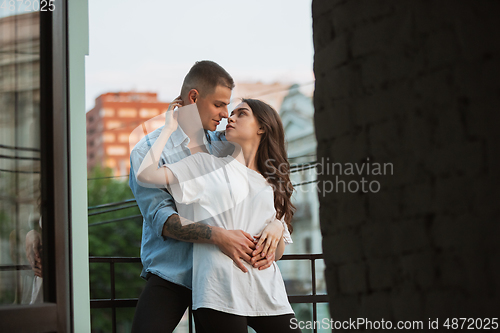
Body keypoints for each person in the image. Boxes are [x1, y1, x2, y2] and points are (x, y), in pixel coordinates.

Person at [129, 61, 286, 332]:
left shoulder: (225, 143)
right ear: (194, 98)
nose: (226, 114)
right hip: (175, 271)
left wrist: (277, 223)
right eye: (219, 105)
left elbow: (263, 184)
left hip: (226, 272)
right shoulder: (147, 152)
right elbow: (163, 220)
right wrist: (218, 236)